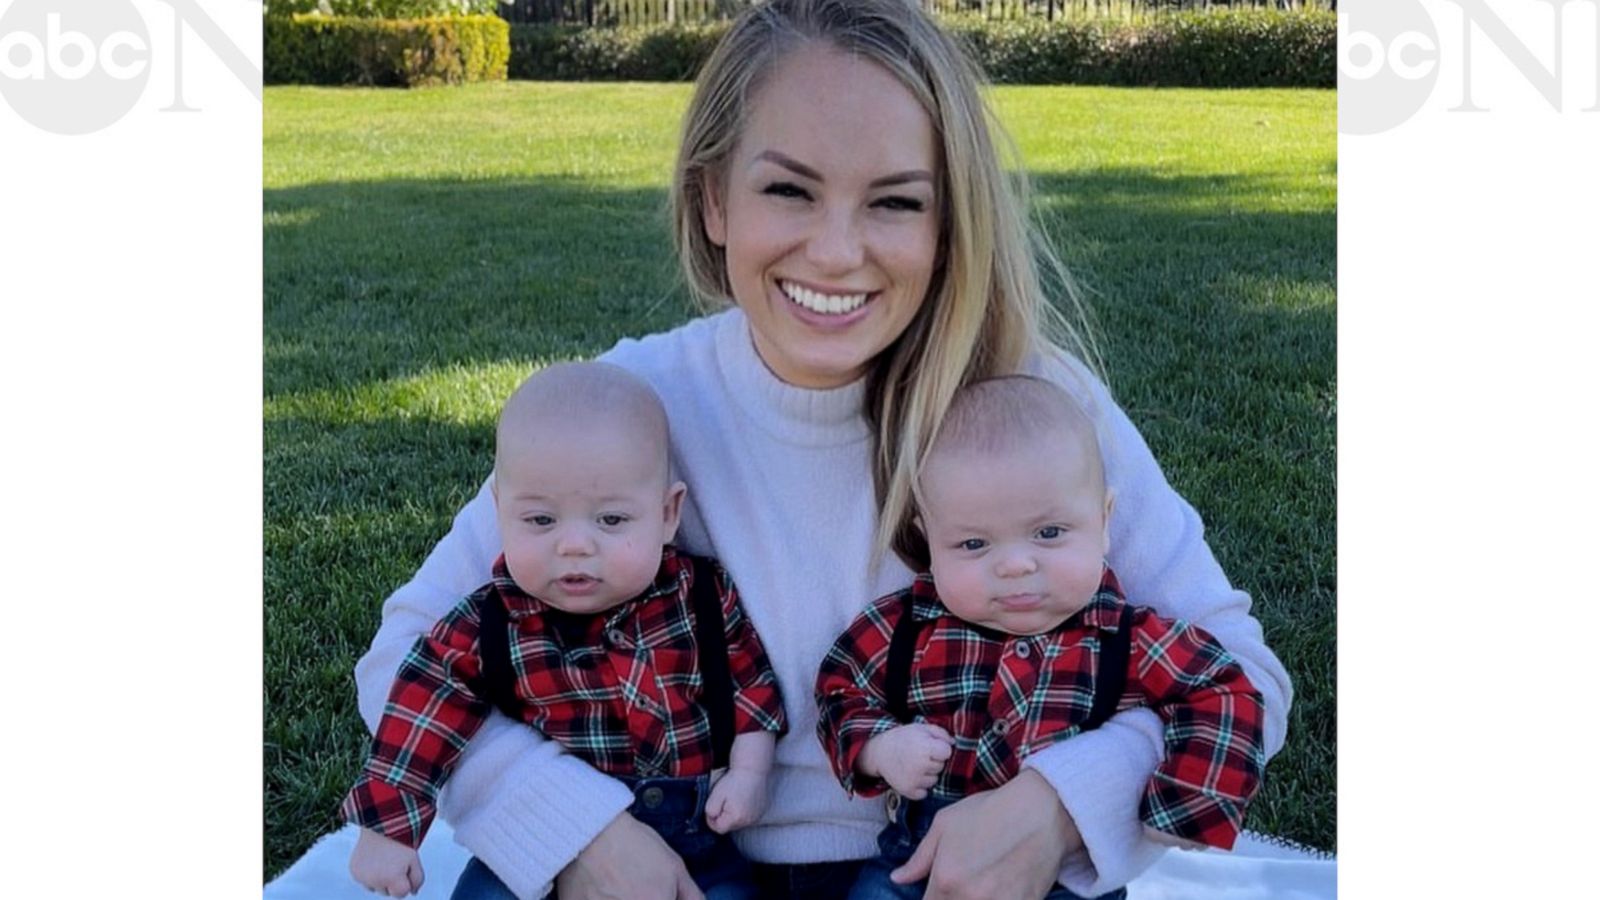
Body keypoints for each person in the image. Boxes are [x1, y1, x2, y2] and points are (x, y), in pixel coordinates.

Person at [354, 1, 1293, 898]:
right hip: (672, 849)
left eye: (893, 202)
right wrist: (572, 830)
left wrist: (1057, 808)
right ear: (714, 198)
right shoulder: (629, 407)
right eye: (788, 189)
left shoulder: (1035, 408)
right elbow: (408, 654)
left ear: (947, 223)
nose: (838, 252)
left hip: (942, 856)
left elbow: (1243, 674)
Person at [341, 363, 786, 899]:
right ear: (501, 512)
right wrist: (388, 827)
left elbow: (753, 690)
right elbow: (418, 712)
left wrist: (750, 774)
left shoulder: (702, 600)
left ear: (669, 515)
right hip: (538, 854)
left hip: (697, 844)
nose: (574, 545)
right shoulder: (490, 623)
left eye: (612, 521)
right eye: (541, 521)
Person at [815, 376, 1267, 900]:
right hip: (918, 862)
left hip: (1066, 877)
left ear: (1104, 521)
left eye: (1049, 533)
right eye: (973, 543)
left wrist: (1185, 801)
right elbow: (839, 684)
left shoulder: (1124, 638)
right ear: (928, 538)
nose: (1015, 565)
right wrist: (877, 749)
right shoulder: (909, 627)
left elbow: (1223, 688)